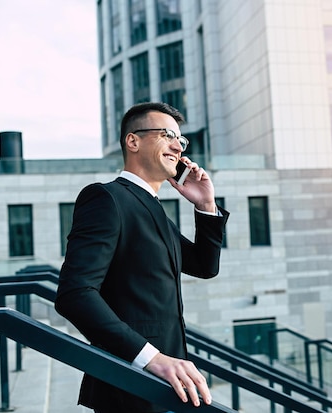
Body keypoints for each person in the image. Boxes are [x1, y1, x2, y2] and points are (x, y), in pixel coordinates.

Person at [55, 102, 229, 413]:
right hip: (129, 384)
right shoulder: (107, 198)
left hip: (164, 384)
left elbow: (204, 266)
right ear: (132, 141)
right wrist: (152, 358)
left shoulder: (153, 208)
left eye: (181, 140)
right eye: (166, 135)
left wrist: (205, 205)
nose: (177, 145)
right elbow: (75, 294)